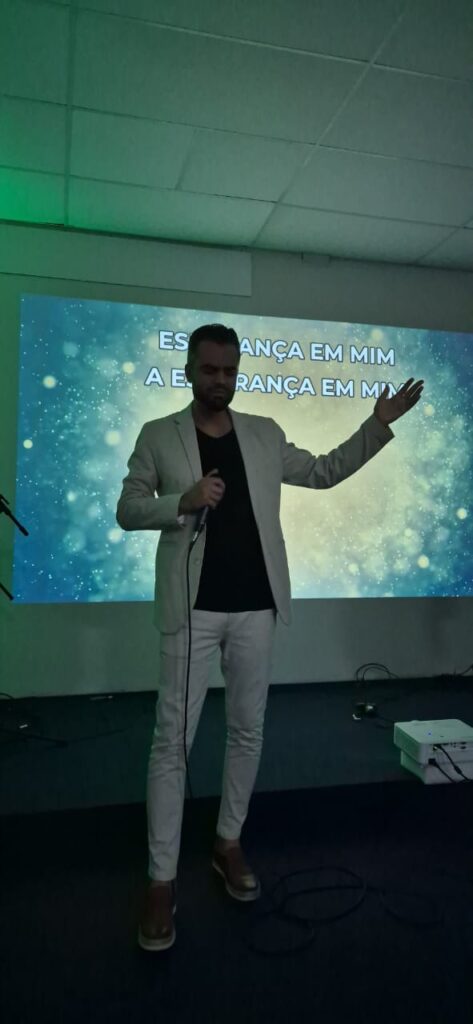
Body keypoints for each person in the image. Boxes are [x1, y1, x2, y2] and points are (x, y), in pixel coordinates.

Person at [116, 323, 423, 951]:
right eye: (209, 370)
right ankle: (161, 879)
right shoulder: (158, 435)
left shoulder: (263, 433)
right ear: (189, 370)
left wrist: (377, 425)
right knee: (172, 742)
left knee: (248, 731)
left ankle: (228, 842)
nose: (220, 380)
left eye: (229, 371)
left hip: (256, 609)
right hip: (192, 612)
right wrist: (182, 500)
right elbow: (128, 508)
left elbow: (325, 472)